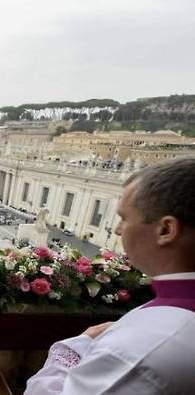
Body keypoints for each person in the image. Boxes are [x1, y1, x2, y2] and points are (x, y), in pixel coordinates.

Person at [25, 157, 195, 394]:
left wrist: (73, 348)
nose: (116, 229)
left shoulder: (142, 349)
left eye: (124, 218)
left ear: (165, 230)